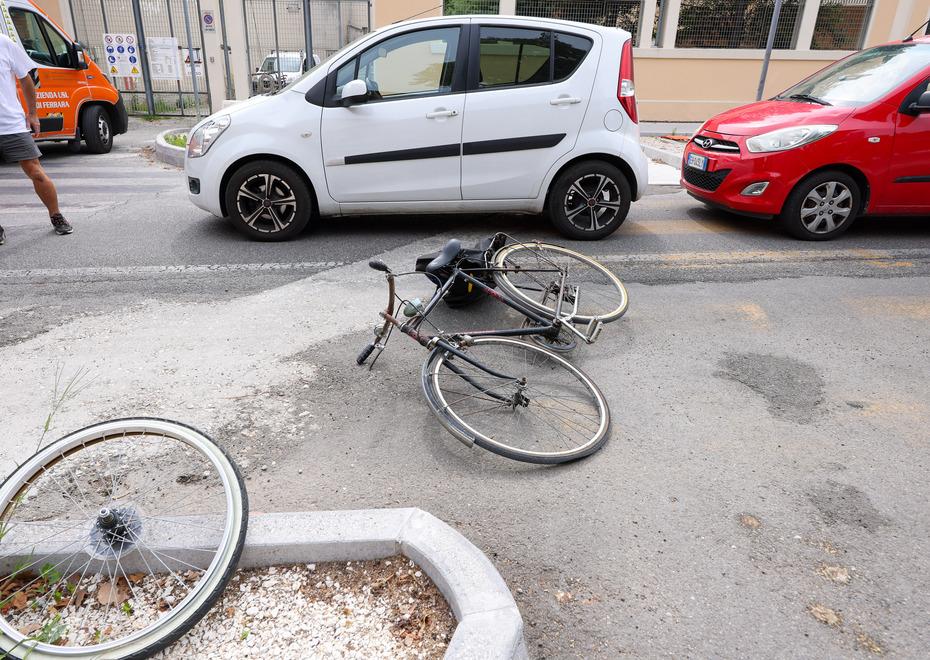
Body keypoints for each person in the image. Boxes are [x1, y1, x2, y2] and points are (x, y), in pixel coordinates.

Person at [0, 32, 72, 246]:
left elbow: (25, 78)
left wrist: (33, 113)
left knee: (36, 172)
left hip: (10, 123)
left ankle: (56, 215)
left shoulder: (4, 43)